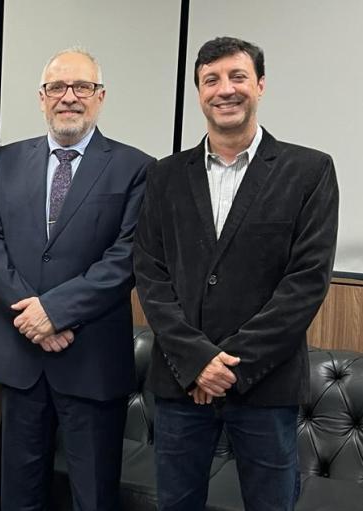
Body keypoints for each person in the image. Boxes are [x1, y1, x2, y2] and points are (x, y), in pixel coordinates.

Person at [134, 36, 339, 511]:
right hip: (180, 382)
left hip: (266, 386)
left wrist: (229, 366)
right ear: (199, 92)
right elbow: (151, 273)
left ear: (260, 85)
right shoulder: (163, 176)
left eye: (237, 76)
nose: (225, 89)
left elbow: (306, 281)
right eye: (211, 80)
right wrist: (196, 361)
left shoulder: (309, 170)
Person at [0, 48, 154, 510]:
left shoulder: (136, 168)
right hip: (20, 354)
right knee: (17, 491)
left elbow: (126, 257)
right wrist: (32, 315)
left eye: (82, 87)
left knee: (92, 494)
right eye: (57, 87)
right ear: (41, 97)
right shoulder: (6, 160)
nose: (69, 97)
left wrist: (54, 312)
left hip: (90, 356)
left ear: (100, 96)